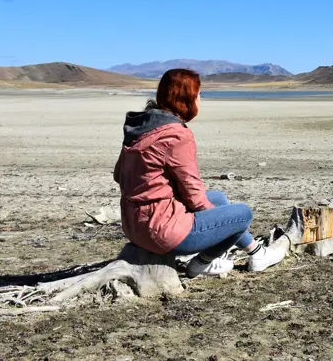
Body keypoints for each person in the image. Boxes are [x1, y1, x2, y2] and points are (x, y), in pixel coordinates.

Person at [114, 69, 272, 277]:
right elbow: (195, 196)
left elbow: (119, 175)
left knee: (219, 199)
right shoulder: (176, 135)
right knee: (242, 214)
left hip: (135, 225)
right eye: (198, 95)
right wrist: (220, 227)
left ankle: (257, 252)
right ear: (185, 99)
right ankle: (202, 263)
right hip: (161, 232)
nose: (200, 99)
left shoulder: (142, 128)